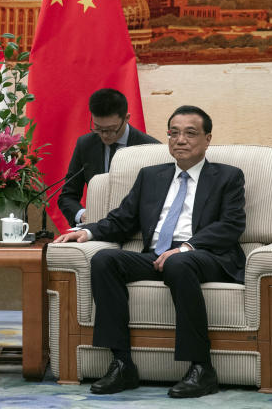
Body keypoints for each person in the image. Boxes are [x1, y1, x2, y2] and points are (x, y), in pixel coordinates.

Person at [54, 105, 245, 399]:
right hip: (156, 254)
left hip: (205, 254)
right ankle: (121, 364)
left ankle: (201, 368)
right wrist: (88, 231)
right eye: (174, 133)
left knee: (179, 263)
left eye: (190, 133)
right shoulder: (151, 176)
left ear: (207, 139)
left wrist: (186, 247)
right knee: (105, 260)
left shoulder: (227, 177)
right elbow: (122, 220)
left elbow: (231, 226)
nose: (180, 140)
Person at [57, 88, 159, 227]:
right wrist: (81, 215)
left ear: (126, 118)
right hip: (95, 228)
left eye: (111, 129)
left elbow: (156, 201)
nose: (104, 135)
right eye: (98, 128)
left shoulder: (151, 148)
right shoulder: (85, 144)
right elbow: (67, 196)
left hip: (134, 229)